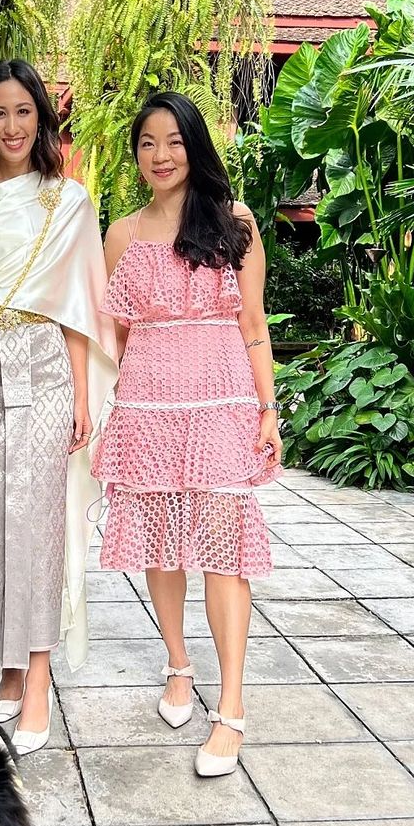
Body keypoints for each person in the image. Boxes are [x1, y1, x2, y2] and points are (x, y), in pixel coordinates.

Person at [91, 91, 281, 777]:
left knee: (225, 549)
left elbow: (253, 323)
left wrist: (268, 407)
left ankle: (230, 707)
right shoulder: (122, 234)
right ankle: (177, 664)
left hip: (223, 405)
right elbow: (117, 336)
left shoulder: (235, 221)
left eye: (173, 141)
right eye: (147, 143)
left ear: (194, 146)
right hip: (148, 407)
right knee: (161, 541)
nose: (160, 155)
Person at [0, 59, 118, 756]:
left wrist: (81, 396)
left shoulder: (68, 200)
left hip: (44, 368)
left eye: (24, 111)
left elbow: (78, 306)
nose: (12, 126)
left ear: (42, 118)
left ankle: (37, 676)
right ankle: (8, 662)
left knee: (37, 524)